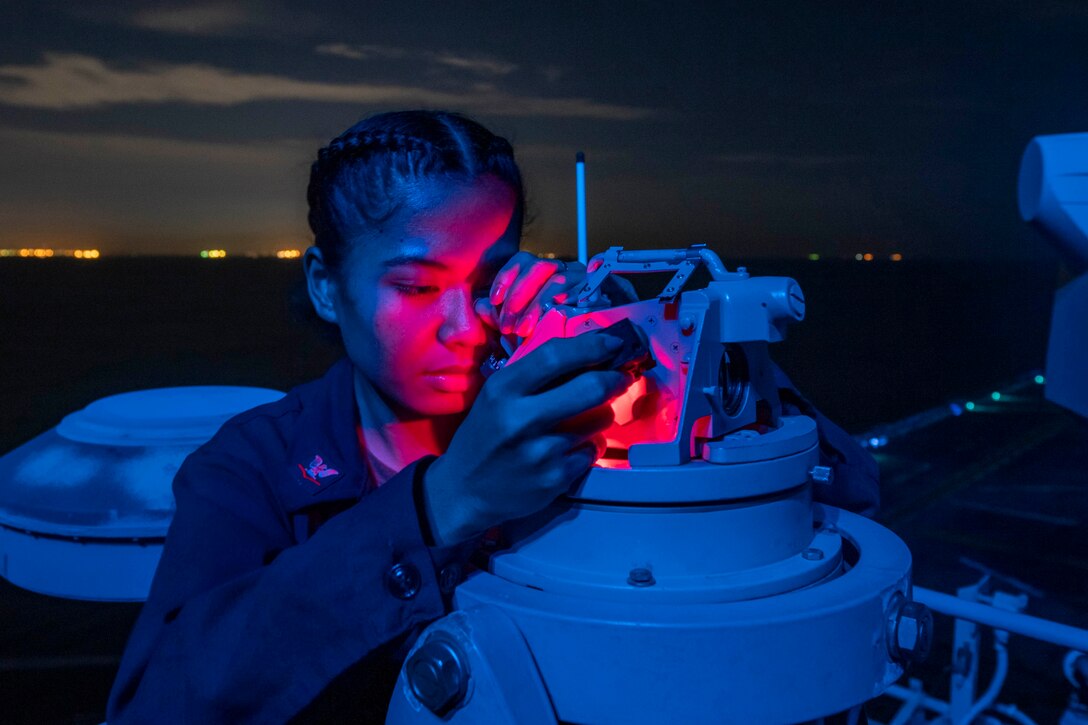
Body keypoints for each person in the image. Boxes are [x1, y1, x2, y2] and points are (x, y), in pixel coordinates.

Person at [107, 110, 878, 724]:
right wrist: (441, 505)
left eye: (489, 283)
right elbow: (157, 704)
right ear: (325, 286)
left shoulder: (578, 417)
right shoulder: (250, 467)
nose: (464, 326)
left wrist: (671, 348)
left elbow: (850, 483)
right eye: (415, 287)